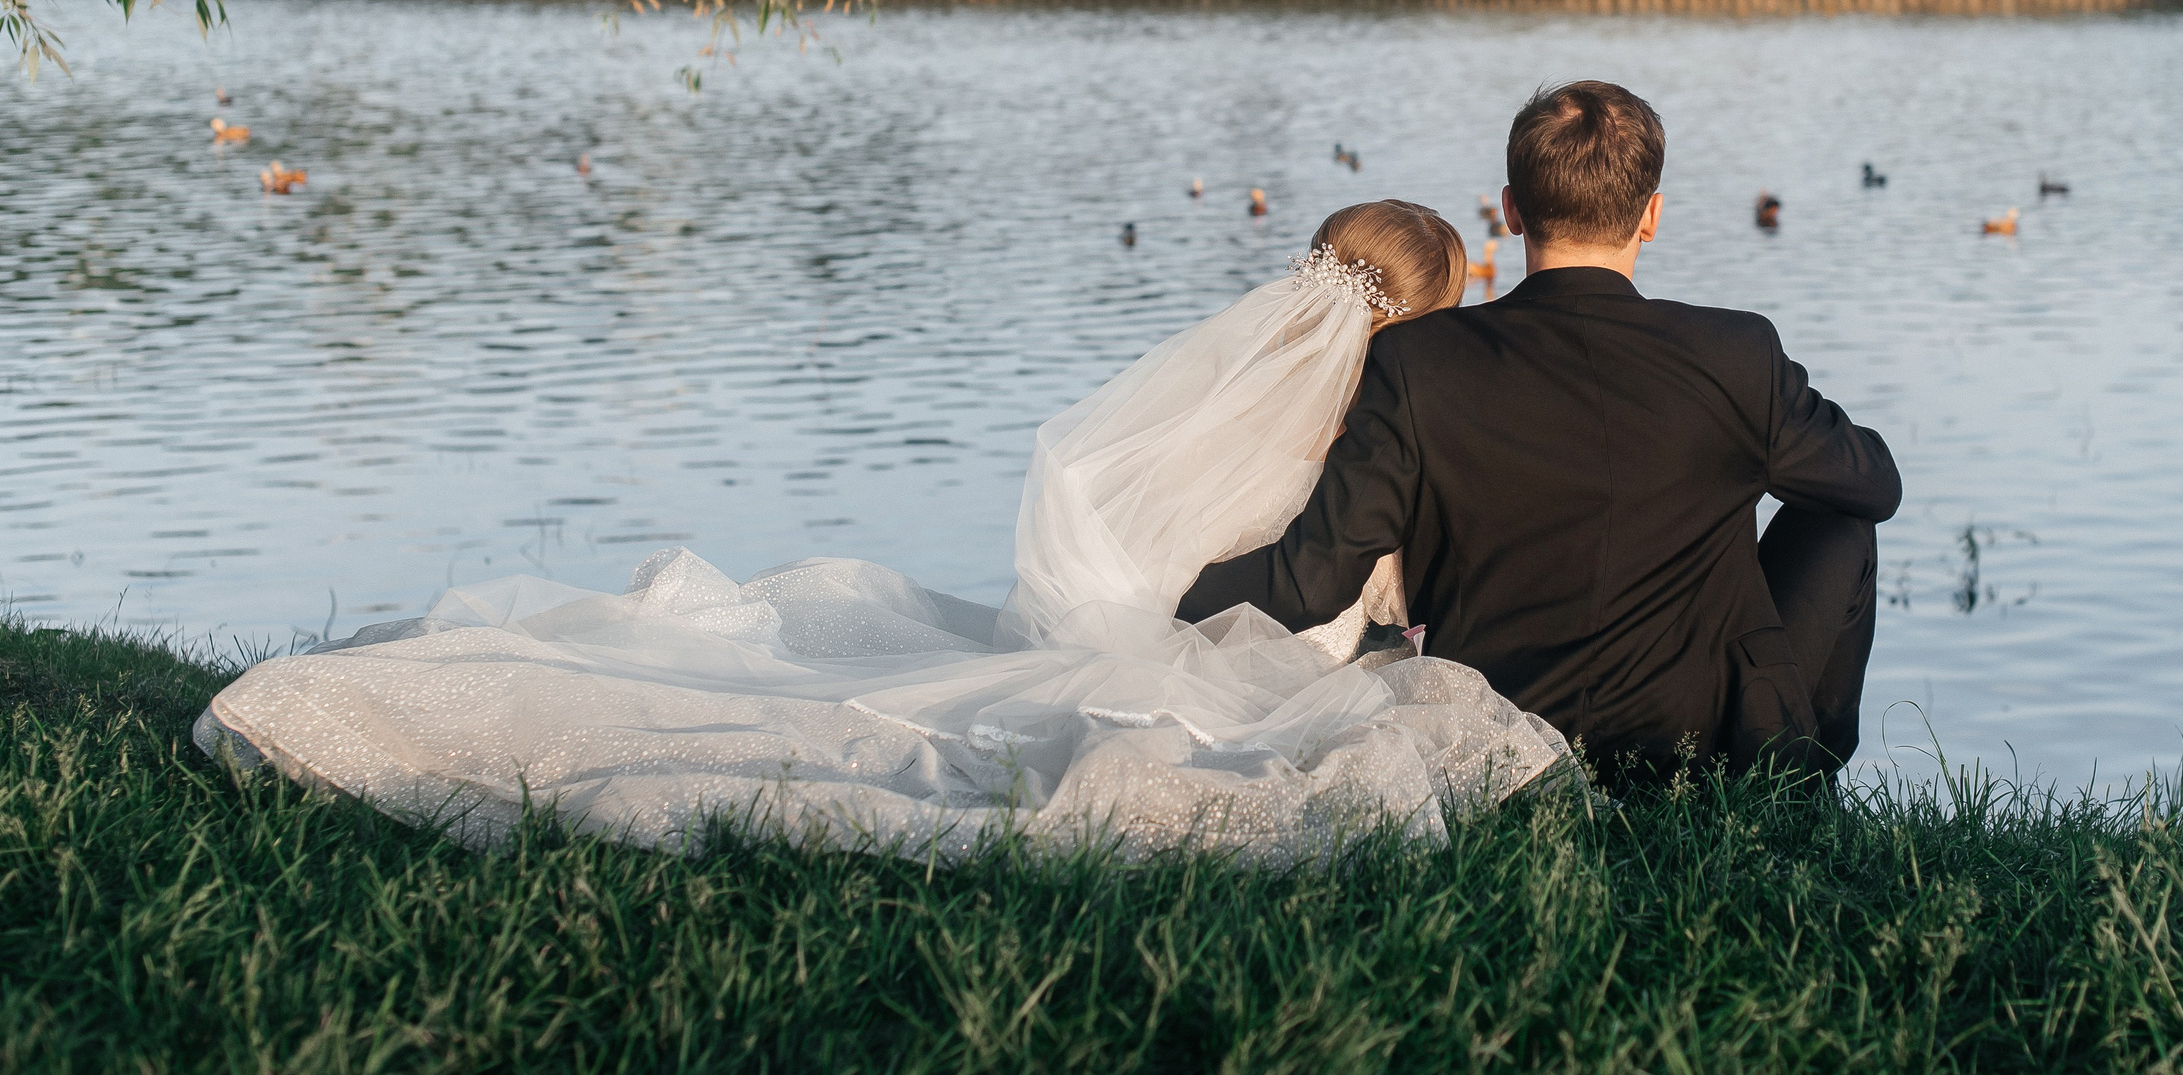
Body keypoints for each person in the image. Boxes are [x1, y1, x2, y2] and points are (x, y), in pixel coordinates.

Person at [196, 201, 1566, 865]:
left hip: (1153, 637)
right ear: (1422, 321)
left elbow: (1141, 532)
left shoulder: (1225, 414)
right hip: (1243, 672)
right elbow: (1355, 590)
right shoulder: (1384, 436)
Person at [1180, 81, 1900, 782]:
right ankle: (1801, 783)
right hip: (1701, 740)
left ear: (1512, 211)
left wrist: (1161, 596)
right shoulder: (1736, 353)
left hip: (1502, 733)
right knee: (1842, 519)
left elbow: (1311, 581)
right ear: (1651, 215)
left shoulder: (1418, 360)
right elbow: (1875, 484)